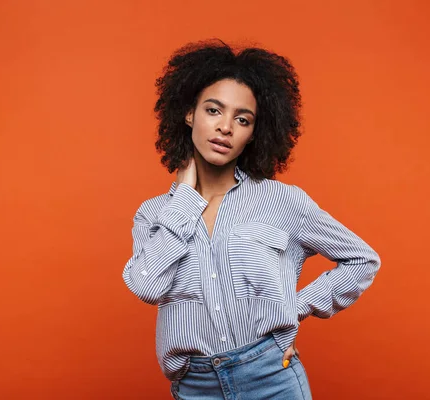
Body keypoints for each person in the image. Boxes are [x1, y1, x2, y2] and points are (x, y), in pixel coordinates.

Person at [122, 39, 381, 399]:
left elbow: (362, 259)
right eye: (214, 111)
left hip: (271, 378)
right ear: (188, 113)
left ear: (253, 133)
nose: (226, 127)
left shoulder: (281, 201)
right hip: (197, 386)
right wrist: (184, 199)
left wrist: (295, 307)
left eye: (242, 119)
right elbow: (145, 286)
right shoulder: (153, 214)